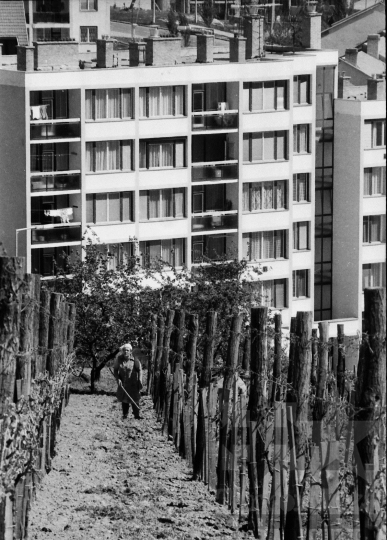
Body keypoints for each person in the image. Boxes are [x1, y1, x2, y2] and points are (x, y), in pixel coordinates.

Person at [113, 343, 143, 419]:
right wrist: (118, 379)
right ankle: (125, 415)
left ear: (130, 351)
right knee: (124, 399)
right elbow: (115, 370)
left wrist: (140, 380)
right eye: (124, 350)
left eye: (127, 350)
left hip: (133, 383)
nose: (126, 352)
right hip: (123, 383)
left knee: (135, 398)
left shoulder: (135, 360)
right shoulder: (119, 359)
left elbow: (140, 370)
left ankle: (137, 415)